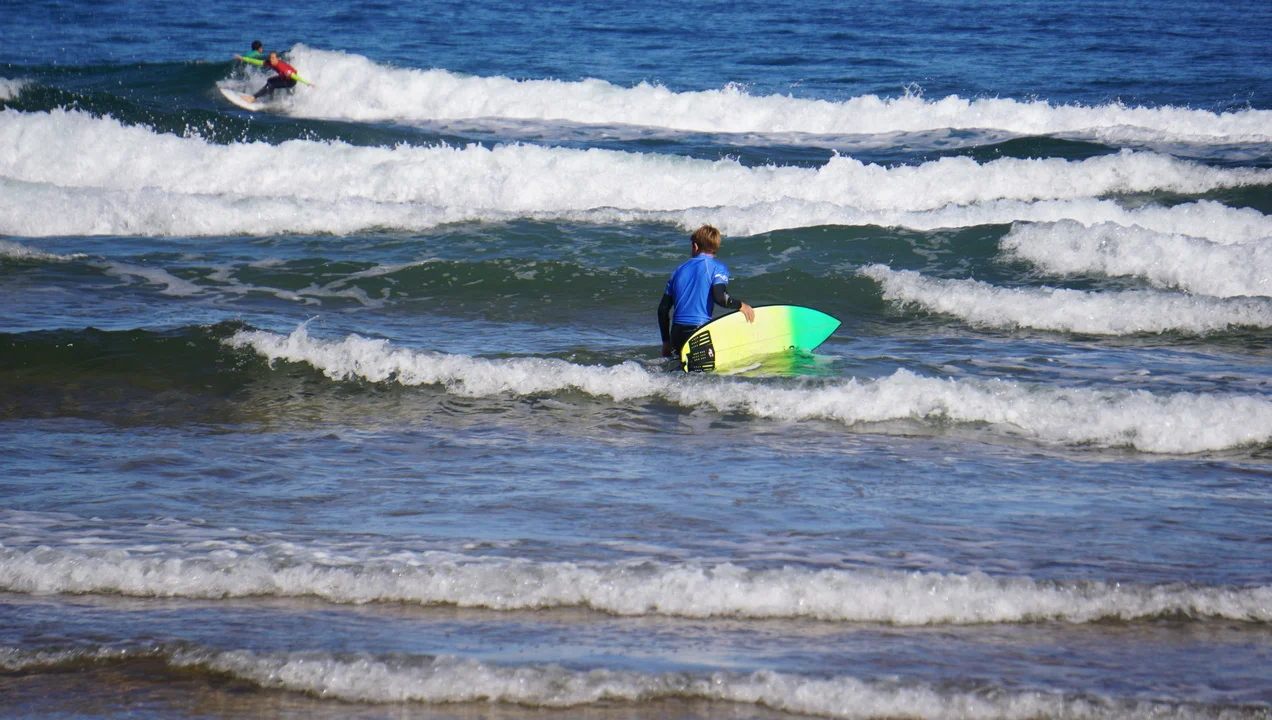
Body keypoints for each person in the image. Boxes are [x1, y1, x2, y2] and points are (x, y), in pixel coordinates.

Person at [658, 224, 755, 360]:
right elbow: (721, 298)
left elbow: (663, 309)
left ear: (695, 246)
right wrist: (741, 305)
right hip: (698, 332)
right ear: (716, 247)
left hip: (677, 333)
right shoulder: (717, 268)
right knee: (702, 371)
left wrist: (666, 342)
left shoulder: (678, 270)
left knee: (678, 369)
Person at [235, 50, 316, 99]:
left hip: (291, 81)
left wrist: (307, 83)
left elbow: (294, 76)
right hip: (284, 77)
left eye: (273, 58)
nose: (271, 59)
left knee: (271, 84)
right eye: (270, 57)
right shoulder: (270, 63)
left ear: (277, 59)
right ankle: (271, 98)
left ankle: (252, 98)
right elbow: (257, 62)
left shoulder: (282, 67)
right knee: (270, 80)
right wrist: (243, 58)